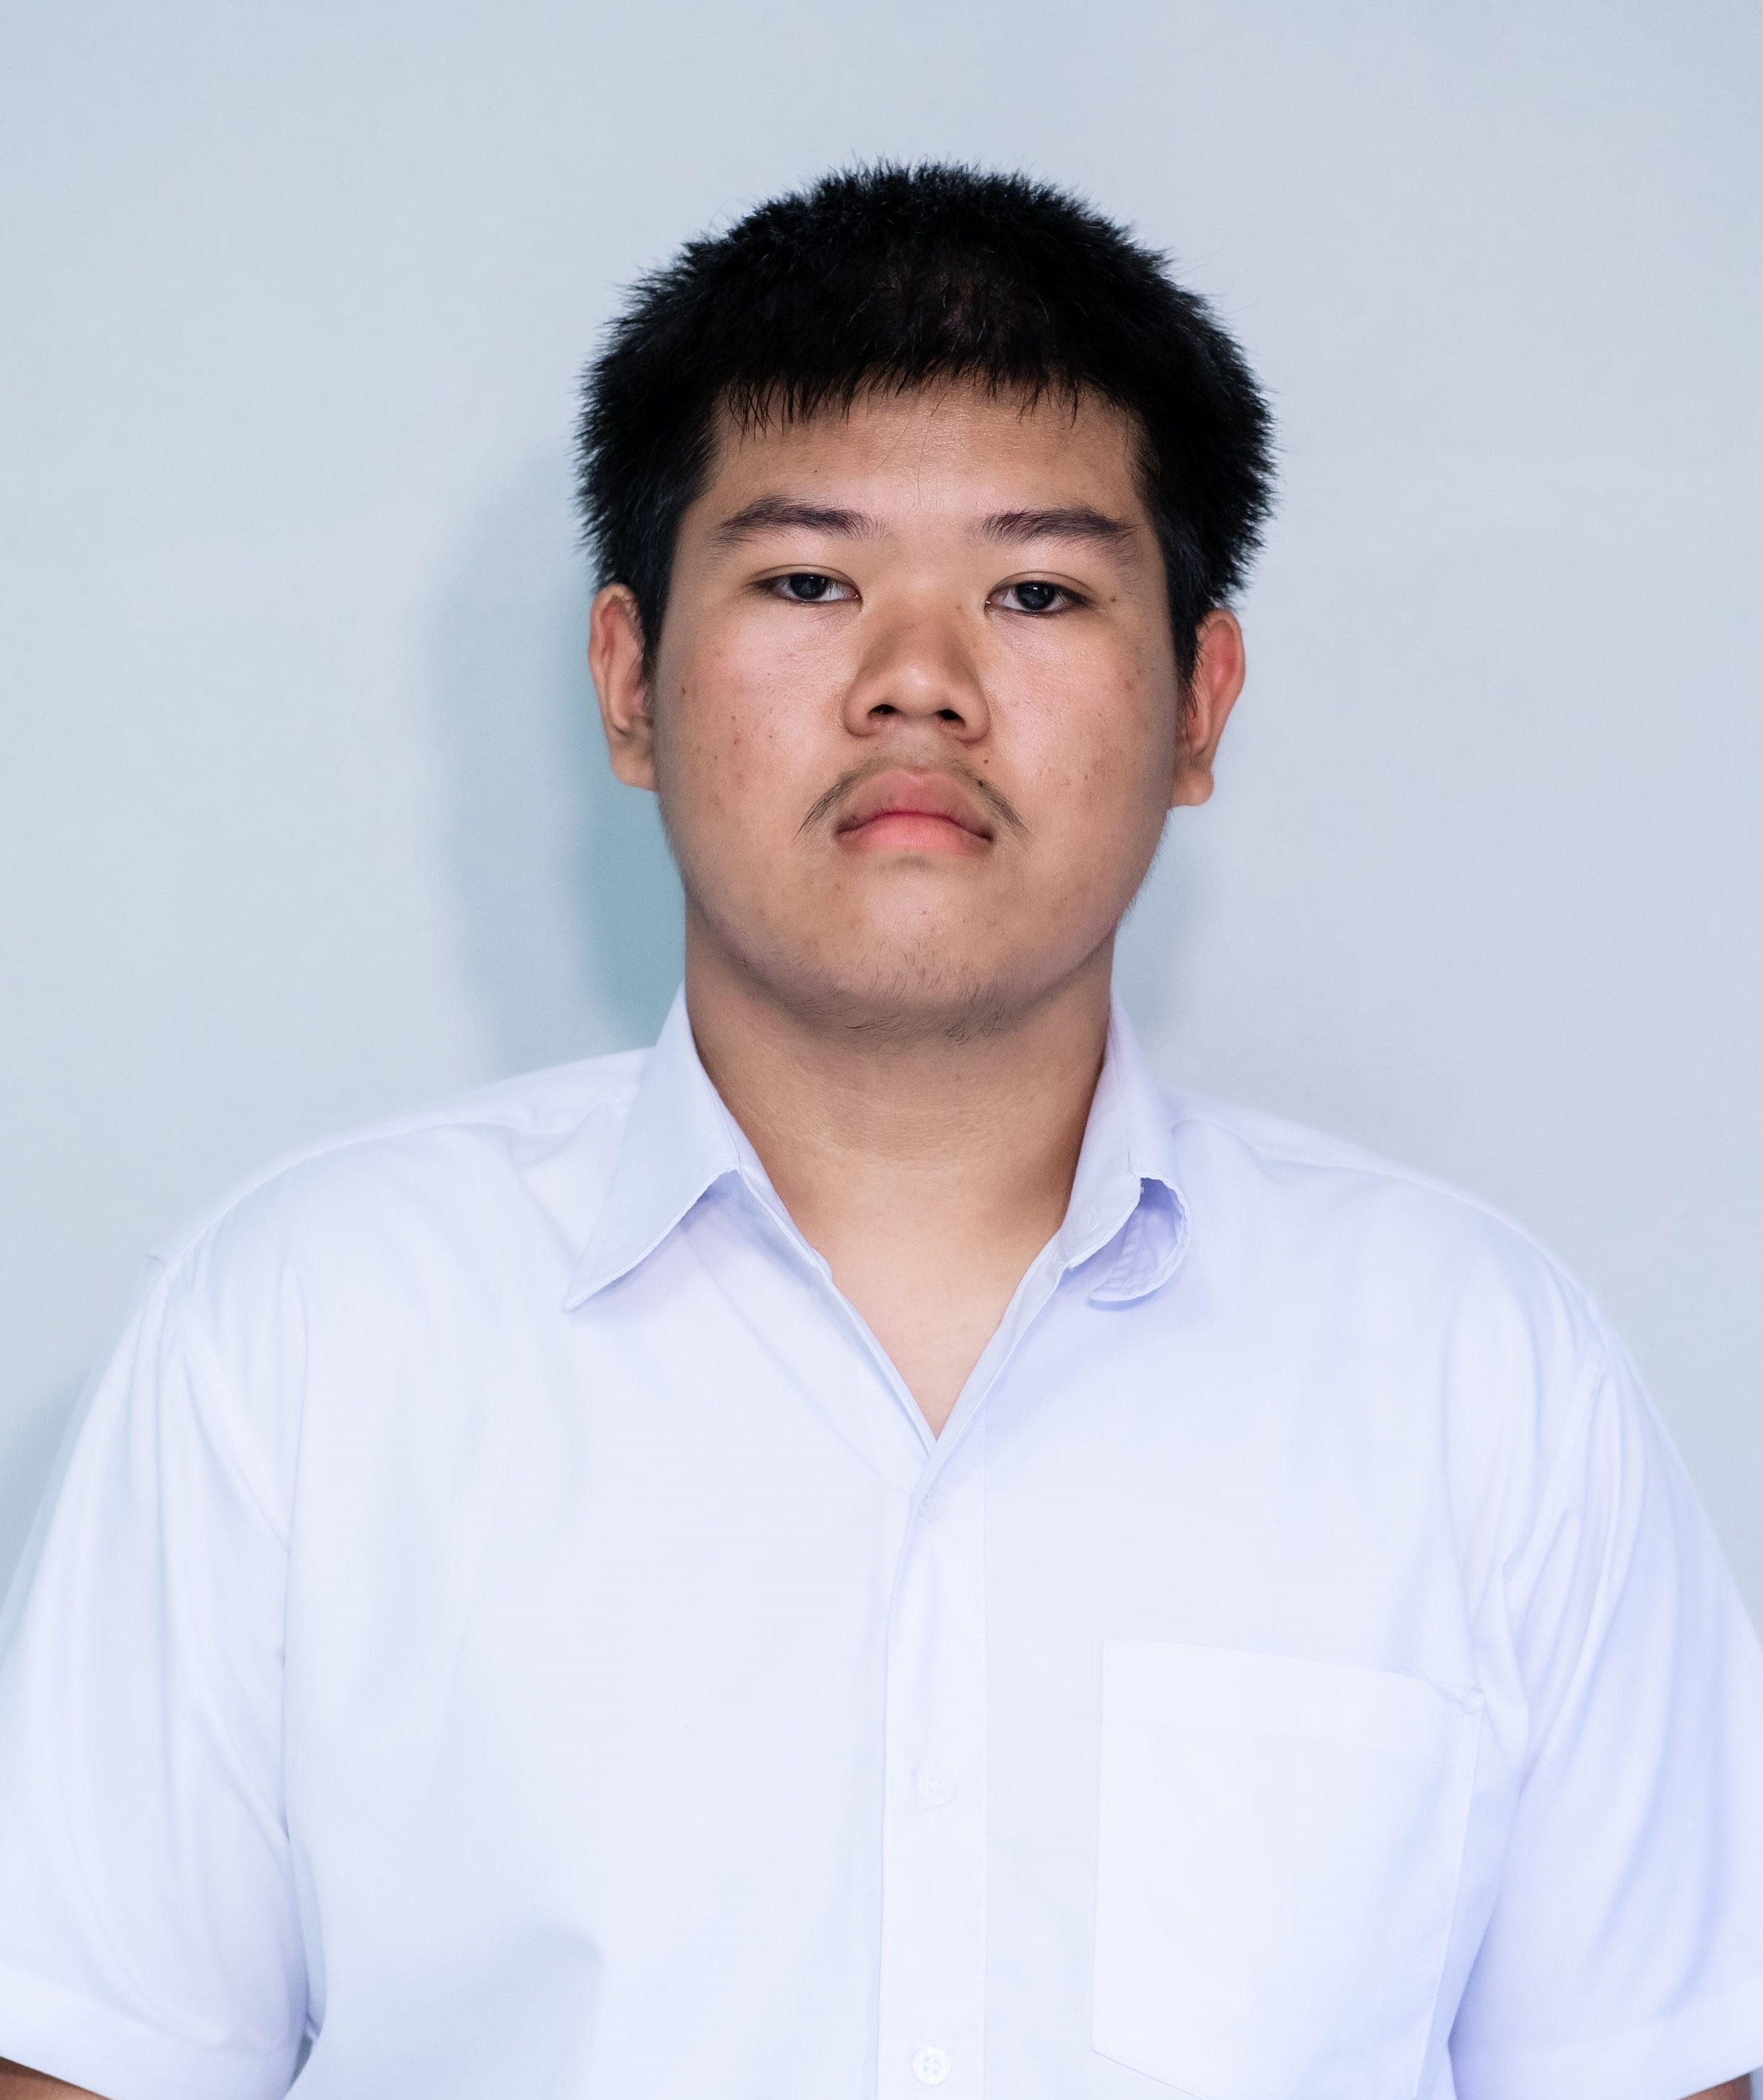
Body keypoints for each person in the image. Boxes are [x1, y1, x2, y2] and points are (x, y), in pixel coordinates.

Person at [0, 162, 1758, 2100]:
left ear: (1198, 701)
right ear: (627, 681)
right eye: (808, 581)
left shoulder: (1479, 1377)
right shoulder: (300, 1340)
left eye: (1035, 591)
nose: (918, 682)